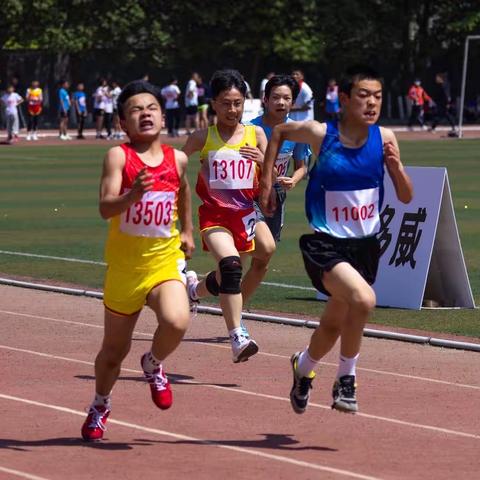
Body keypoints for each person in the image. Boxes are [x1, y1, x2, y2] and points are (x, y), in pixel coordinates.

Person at [259, 65, 413, 415]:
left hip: (366, 247)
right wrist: (267, 184)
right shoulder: (320, 133)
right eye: (363, 95)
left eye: (377, 96)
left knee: (332, 325)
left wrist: (397, 169)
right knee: (364, 299)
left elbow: (405, 196)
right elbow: (279, 131)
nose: (372, 103)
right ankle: (347, 379)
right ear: (343, 99)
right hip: (325, 245)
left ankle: (303, 369)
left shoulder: (385, 138)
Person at [81, 80, 194, 442]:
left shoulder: (177, 159)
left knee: (177, 321)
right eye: (135, 110)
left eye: (151, 107)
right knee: (113, 354)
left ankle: (153, 364)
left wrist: (188, 231)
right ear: (122, 123)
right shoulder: (118, 156)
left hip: (163, 262)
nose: (145, 113)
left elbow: (184, 191)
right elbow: (104, 207)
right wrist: (134, 193)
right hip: (125, 270)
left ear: (162, 115)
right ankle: (100, 403)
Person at [183, 69, 267, 363]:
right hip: (215, 218)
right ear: (214, 104)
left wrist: (263, 161)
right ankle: (238, 337)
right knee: (231, 268)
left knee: (224, 276)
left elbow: (267, 178)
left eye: (238, 102)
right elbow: (176, 166)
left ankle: (193, 290)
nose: (233, 109)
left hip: (245, 217)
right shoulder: (202, 137)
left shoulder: (256, 134)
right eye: (226, 103)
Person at [241, 74, 310, 307]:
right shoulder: (250, 129)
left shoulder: (298, 132)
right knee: (238, 256)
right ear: (265, 99)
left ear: (293, 102)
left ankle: (236, 306)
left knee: (263, 260)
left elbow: (302, 167)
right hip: (247, 197)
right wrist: (263, 162)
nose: (281, 102)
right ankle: (228, 305)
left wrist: (294, 179)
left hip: (275, 197)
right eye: (276, 97)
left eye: (286, 98)